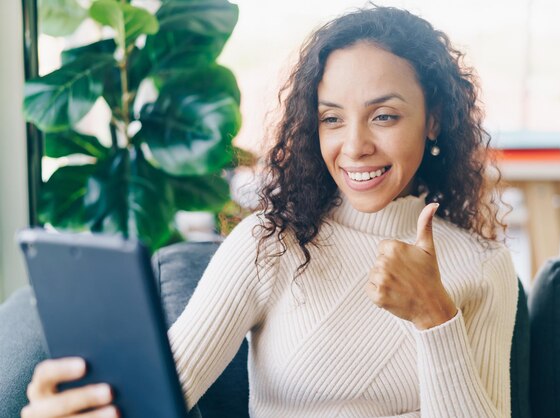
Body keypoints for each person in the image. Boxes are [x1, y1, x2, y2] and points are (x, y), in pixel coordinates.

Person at [22, 6, 518, 418]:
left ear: (433, 120)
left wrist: (435, 317)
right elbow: (157, 397)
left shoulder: (481, 265)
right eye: (331, 119)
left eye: (384, 116)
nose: (355, 145)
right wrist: (76, 406)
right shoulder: (272, 242)